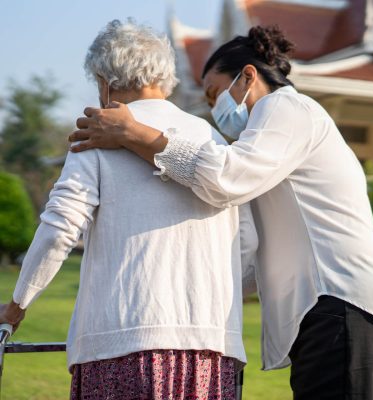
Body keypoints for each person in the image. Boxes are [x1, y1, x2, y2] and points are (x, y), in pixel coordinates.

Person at [69, 25, 373, 400]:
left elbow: (225, 177)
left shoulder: (287, 108)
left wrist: (135, 133)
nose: (213, 110)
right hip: (327, 315)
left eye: (214, 94)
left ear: (247, 76)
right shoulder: (263, 146)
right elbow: (247, 250)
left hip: (344, 306)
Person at [0, 20, 259, 400]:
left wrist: (17, 306)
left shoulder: (98, 134)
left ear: (104, 81)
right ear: (164, 76)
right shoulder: (213, 140)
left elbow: (60, 228)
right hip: (212, 352)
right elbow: (248, 241)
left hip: (123, 343)